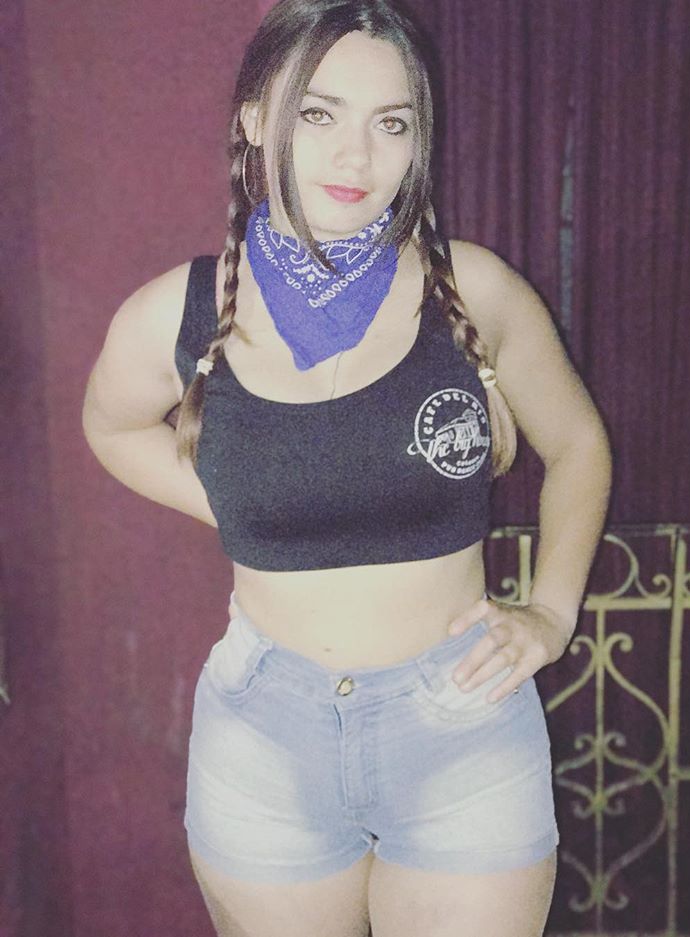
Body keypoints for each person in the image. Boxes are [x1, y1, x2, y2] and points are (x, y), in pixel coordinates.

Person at [81, 0, 612, 934]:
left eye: (391, 123)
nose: (355, 156)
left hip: (461, 715)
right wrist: (242, 501)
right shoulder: (180, 311)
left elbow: (577, 446)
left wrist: (553, 612)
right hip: (265, 731)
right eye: (319, 113)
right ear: (256, 118)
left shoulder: (474, 289)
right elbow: (111, 427)